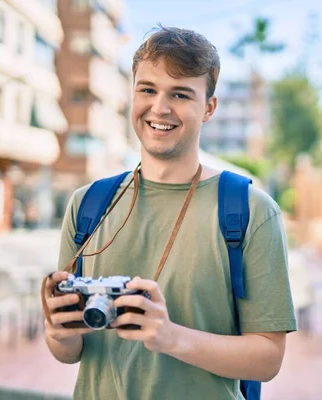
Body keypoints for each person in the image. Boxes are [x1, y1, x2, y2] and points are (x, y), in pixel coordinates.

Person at [42, 25, 297, 399]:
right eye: (147, 89)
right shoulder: (87, 204)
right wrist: (58, 331)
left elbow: (268, 359)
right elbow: (70, 352)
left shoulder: (251, 211)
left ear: (209, 108)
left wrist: (170, 337)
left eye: (180, 94)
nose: (159, 108)